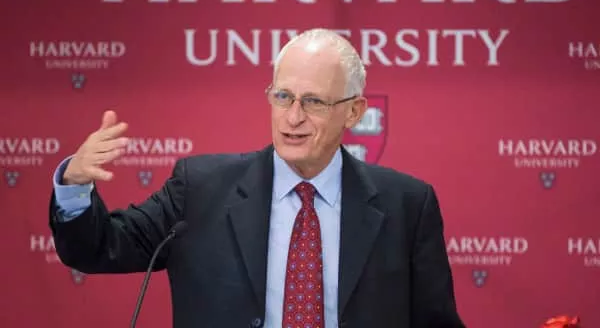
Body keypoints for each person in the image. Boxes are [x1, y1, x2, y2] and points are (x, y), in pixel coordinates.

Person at [49, 28, 465, 328]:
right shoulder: (200, 190)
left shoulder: (406, 205)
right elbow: (100, 248)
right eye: (283, 97)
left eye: (313, 102)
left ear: (353, 112)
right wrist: (74, 185)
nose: (293, 117)